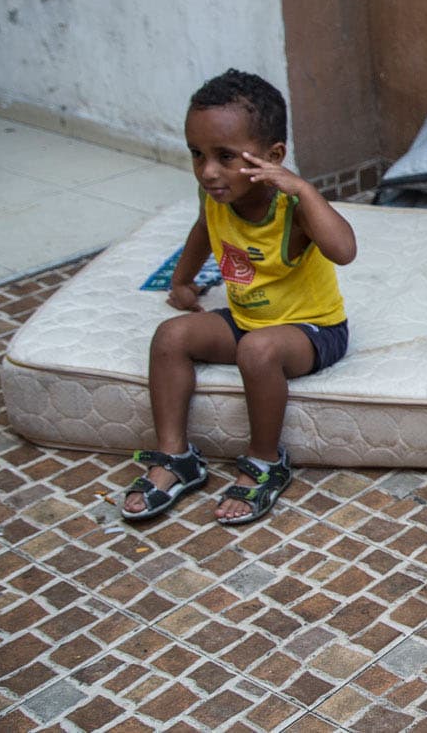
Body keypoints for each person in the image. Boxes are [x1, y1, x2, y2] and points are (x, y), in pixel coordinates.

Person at [118, 70, 358, 527]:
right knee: (171, 337)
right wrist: (184, 281)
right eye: (197, 154)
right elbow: (203, 230)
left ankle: (266, 462)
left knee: (258, 349)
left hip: (313, 330)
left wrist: (304, 190)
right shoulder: (219, 194)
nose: (208, 171)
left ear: (273, 157)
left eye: (225, 156)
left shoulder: (291, 209)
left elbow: (344, 251)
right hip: (247, 319)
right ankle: (176, 458)